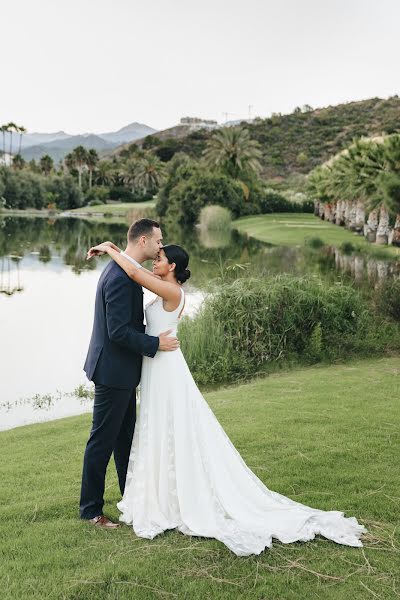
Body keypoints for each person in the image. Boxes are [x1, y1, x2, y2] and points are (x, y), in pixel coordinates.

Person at [85, 237, 367, 555]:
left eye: (160, 256)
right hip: (156, 366)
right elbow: (135, 275)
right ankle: (155, 493)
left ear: (172, 266)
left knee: (171, 425)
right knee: (156, 428)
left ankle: (174, 495)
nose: (156, 258)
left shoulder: (172, 291)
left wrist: (111, 250)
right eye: (157, 250)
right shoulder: (162, 286)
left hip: (164, 366)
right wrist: (116, 251)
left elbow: (135, 275)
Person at [79, 219, 179, 528]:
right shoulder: (121, 277)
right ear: (144, 241)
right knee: (102, 441)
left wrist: (109, 247)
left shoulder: (125, 269)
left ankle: (130, 496)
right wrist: (155, 344)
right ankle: (91, 510)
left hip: (120, 371)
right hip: (112, 370)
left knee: (125, 441)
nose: (160, 246)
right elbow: (118, 331)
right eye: (158, 241)